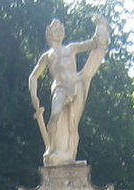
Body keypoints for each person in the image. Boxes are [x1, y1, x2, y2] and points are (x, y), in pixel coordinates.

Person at [28, 16, 110, 167]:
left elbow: (92, 44)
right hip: (60, 88)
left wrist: (101, 31)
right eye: (55, 29)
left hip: (76, 86)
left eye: (60, 28)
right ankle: (53, 150)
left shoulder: (71, 48)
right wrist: (34, 95)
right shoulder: (47, 56)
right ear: (49, 33)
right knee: (55, 115)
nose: (58, 31)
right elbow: (33, 76)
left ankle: (69, 154)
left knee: (73, 125)